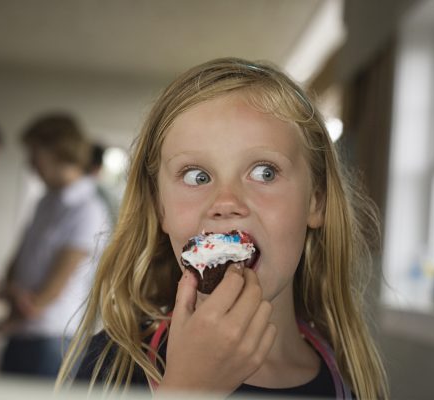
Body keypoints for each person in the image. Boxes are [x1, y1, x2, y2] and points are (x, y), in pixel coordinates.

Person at [58, 58, 388, 399]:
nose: (226, 202)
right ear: (161, 208)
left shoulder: (351, 384)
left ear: (315, 201)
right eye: (196, 176)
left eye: (264, 173)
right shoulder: (111, 366)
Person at [0, 113, 110, 377]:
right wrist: (11, 291)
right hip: (22, 333)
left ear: (57, 152)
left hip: (52, 340)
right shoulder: (46, 202)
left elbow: (44, 297)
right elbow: (14, 269)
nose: (31, 163)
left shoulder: (87, 209)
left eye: (35, 152)